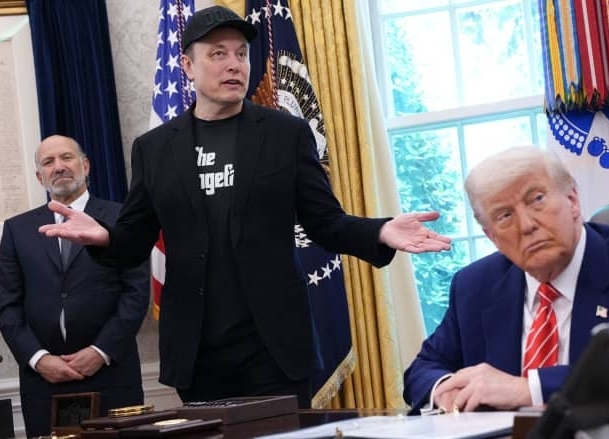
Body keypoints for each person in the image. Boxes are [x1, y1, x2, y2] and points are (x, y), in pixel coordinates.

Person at [38, 6, 451, 408]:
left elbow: (325, 222)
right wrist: (104, 238)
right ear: (187, 65)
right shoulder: (154, 148)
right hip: (197, 352)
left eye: (241, 53)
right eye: (218, 54)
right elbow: (134, 239)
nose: (234, 64)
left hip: (274, 346)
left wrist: (379, 230)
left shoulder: (286, 134)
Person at [403, 147, 609, 414]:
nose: (527, 225)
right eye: (504, 216)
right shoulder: (474, 286)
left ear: (572, 200)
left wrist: (529, 389)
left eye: (537, 200)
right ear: (491, 236)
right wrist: (447, 390)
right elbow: (423, 370)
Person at [0, 135, 149, 437]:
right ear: (40, 177)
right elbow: (8, 309)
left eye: (66, 157)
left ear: (86, 165)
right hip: (44, 383)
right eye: (48, 162)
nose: (58, 166)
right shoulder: (17, 229)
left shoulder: (122, 219)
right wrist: (39, 360)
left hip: (111, 374)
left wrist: (100, 351)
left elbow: (136, 293)